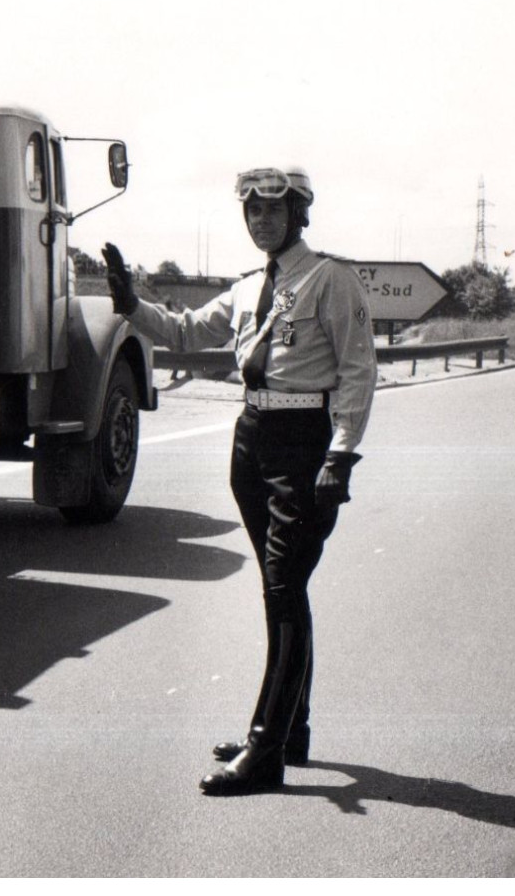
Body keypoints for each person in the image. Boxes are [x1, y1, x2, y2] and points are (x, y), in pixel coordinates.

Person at [103, 165, 378, 795]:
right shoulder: (249, 286)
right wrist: (129, 304)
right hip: (252, 442)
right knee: (283, 588)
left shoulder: (330, 279)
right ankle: (292, 726)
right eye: (252, 213)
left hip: (304, 448)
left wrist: (340, 454)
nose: (262, 222)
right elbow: (187, 332)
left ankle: (265, 749)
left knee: (283, 591)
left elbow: (359, 370)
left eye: (274, 212)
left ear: (300, 215)